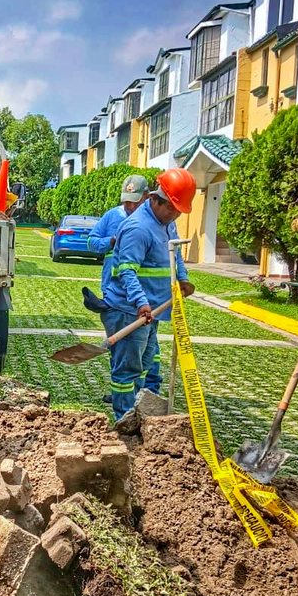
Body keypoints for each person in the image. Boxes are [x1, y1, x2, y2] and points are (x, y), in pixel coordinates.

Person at [100, 168, 197, 419]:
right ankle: (123, 419)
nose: (175, 215)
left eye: (179, 210)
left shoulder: (165, 222)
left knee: (144, 363)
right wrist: (141, 302)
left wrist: (183, 279)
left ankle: (138, 413)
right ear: (154, 199)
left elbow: (174, 253)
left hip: (152, 311)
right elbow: (127, 272)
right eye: (172, 208)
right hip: (129, 310)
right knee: (127, 370)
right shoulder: (138, 228)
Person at [82, 174, 150, 402]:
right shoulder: (112, 216)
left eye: (135, 201)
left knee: (147, 351)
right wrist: (109, 242)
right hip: (115, 295)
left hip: (144, 299)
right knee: (120, 347)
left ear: (146, 197)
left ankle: (141, 393)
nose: (129, 206)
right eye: (126, 201)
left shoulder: (153, 222)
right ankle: (121, 391)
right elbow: (91, 242)